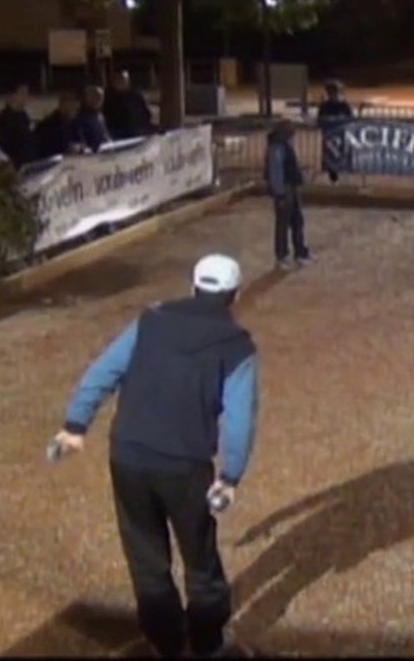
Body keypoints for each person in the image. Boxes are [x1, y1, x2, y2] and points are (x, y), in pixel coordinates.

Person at [49, 254, 259, 658]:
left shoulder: (150, 321)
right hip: (184, 466)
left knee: (146, 557)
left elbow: (102, 372)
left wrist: (76, 425)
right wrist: (230, 475)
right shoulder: (237, 347)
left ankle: (164, 643)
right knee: (200, 559)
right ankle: (208, 644)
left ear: (193, 287)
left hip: (127, 454)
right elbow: (239, 419)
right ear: (233, 295)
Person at [265, 120, 312, 271]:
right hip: (285, 190)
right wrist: (280, 193)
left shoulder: (285, 145)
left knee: (297, 221)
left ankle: (300, 253)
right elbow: (276, 172)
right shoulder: (277, 148)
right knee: (283, 225)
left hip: (291, 187)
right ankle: (282, 257)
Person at [316, 81, 354, 184]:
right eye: (330, 92)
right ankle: (333, 175)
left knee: (341, 153)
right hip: (329, 135)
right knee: (330, 154)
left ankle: (342, 170)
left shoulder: (344, 105)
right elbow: (319, 120)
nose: (332, 95)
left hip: (341, 135)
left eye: (334, 92)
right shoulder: (324, 106)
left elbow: (350, 119)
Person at [103, 70, 155, 140]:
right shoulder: (109, 97)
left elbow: (146, 113)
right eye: (118, 80)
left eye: (124, 80)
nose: (121, 83)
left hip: (138, 129)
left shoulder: (135, 96)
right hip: (119, 132)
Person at [0, 83, 35, 168]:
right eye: (22, 93)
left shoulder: (23, 115)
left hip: (27, 164)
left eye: (27, 93)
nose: (26, 96)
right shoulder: (4, 119)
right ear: (11, 96)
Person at [34, 92, 84, 160]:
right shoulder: (47, 125)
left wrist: (78, 147)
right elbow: (43, 150)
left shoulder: (74, 123)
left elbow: (81, 141)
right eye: (70, 105)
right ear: (61, 105)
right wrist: (65, 151)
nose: (73, 109)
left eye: (76, 107)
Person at [74, 86, 112, 153]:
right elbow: (80, 138)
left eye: (100, 97)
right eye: (94, 96)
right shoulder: (79, 117)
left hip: (104, 151)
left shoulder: (100, 115)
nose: (98, 100)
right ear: (86, 98)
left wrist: (110, 143)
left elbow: (104, 133)